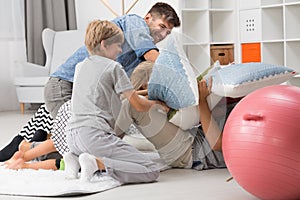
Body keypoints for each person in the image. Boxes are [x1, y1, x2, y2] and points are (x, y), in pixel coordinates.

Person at [63, 20, 169, 183]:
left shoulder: (80, 66)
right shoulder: (113, 67)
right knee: (151, 169)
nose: (120, 50)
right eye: (118, 45)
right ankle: (97, 164)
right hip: (93, 136)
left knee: (122, 159)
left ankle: (75, 160)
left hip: (72, 136)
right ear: (105, 44)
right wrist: (158, 104)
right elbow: (138, 105)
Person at [3, 61, 153, 171]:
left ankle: (27, 150)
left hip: (74, 114)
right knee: (66, 155)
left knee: (65, 150)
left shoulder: (114, 84)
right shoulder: (127, 95)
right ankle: (25, 155)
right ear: (143, 85)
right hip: (80, 120)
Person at [44, 2, 180, 118]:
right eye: (162, 27)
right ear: (148, 18)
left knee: (84, 135)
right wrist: (179, 73)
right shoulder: (135, 23)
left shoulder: (137, 56)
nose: (163, 35)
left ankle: (32, 144)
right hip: (66, 85)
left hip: (86, 93)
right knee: (79, 136)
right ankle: (29, 146)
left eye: (168, 32)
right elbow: (151, 54)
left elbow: (129, 89)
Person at [115, 76, 238, 170]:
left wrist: (202, 100)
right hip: (190, 136)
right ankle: (107, 144)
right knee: (135, 101)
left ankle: (106, 147)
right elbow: (218, 113)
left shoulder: (251, 116)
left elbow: (217, 143)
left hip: (189, 151)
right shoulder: (241, 103)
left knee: (131, 105)